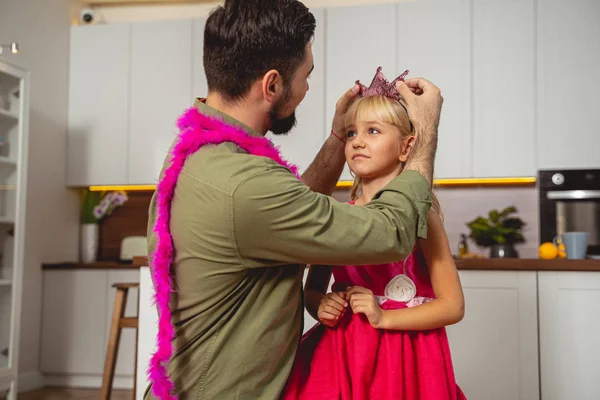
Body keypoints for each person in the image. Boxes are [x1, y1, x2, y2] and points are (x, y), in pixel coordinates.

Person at [143, 0, 443, 399]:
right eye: (305, 76)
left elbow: (289, 210)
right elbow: (390, 233)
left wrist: (339, 138)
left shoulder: (206, 155)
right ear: (271, 85)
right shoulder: (244, 184)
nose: (305, 89)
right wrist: (424, 137)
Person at [282, 73, 466, 400]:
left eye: (373, 131)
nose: (357, 141)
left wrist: (384, 316)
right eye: (351, 132)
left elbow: (452, 306)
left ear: (407, 146)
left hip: (408, 358)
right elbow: (312, 292)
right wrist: (321, 305)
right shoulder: (337, 215)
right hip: (345, 354)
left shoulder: (424, 219)